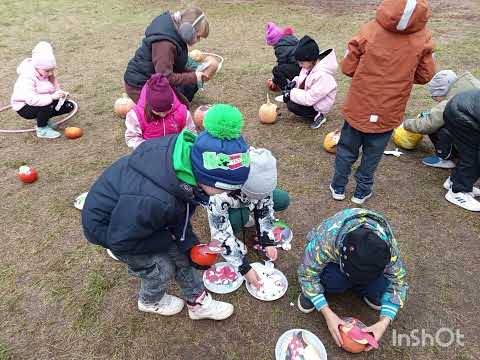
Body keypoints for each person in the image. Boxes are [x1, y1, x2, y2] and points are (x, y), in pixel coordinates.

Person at [82, 104, 250, 320]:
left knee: (181, 253)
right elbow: (120, 239)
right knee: (162, 268)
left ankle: (198, 304)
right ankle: (150, 300)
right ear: (206, 178)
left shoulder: (184, 165)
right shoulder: (158, 200)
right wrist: (170, 240)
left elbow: (179, 216)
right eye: (224, 188)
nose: (225, 194)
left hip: (131, 216)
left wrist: (187, 244)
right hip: (110, 229)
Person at [330, 0, 436, 204]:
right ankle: (361, 191)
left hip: (359, 105)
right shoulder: (424, 38)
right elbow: (425, 75)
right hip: (389, 109)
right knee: (373, 153)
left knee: (346, 149)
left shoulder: (370, 30)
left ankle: (338, 186)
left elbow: (348, 67)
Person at [297, 208, 408, 351]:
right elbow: (307, 273)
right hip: (334, 262)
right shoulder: (327, 239)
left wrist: (384, 322)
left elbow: (399, 281)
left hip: (358, 264)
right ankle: (312, 294)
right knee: (332, 279)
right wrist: (327, 312)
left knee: (381, 287)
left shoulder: (386, 248)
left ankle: (364, 286)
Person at [205, 147, 290, 288]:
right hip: (229, 201)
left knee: (282, 199)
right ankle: (242, 217)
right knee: (240, 217)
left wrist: (267, 240)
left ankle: (248, 211)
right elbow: (220, 233)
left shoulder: (261, 171)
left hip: (247, 194)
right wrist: (244, 267)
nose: (261, 198)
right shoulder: (218, 192)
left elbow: (265, 207)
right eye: (255, 196)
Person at [124, 5, 209, 105]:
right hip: (140, 84)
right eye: (198, 36)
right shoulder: (165, 44)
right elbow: (165, 77)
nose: (198, 40)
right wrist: (193, 77)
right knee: (176, 112)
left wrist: (195, 73)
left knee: (185, 98)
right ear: (188, 29)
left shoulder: (173, 29)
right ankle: (142, 105)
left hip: (155, 78)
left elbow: (173, 67)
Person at [403, 70, 480, 168]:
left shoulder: (451, 101)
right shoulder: (470, 84)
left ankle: (445, 158)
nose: (435, 100)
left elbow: (428, 124)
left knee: (442, 127)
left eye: (434, 96)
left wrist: (405, 124)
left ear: (441, 91)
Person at [10, 41, 74, 139]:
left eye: (52, 70)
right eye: (47, 71)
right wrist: (52, 97)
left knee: (68, 106)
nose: (50, 73)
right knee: (46, 104)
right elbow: (31, 99)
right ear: (37, 67)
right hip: (24, 106)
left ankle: (44, 120)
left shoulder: (46, 72)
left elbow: (54, 88)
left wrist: (61, 94)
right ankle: (42, 129)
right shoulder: (27, 77)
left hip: (42, 100)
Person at [125, 74, 195, 150]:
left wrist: (183, 145)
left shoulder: (182, 113)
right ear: (149, 106)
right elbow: (132, 138)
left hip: (173, 152)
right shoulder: (137, 115)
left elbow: (190, 133)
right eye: (158, 111)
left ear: (172, 103)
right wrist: (146, 148)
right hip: (150, 152)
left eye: (167, 110)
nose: (163, 115)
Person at [282, 35, 338, 129]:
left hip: (318, 104)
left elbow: (310, 98)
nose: (300, 65)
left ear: (311, 60)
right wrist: (294, 82)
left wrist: (291, 93)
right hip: (311, 98)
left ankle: (319, 115)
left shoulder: (323, 76)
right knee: (291, 101)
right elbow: (303, 79)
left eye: (302, 63)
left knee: (292, 105)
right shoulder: (309, 65)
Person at [442, 89, 480, 211]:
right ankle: (458, 192)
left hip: (460, 108)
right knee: (473, 156)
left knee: (469, 153)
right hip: (463, 115)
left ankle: (454, 181)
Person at [264, 22, 300, 92]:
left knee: (276, 70)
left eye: (272, 44)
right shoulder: (291, 39)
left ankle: (287, 90)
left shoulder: (280, 47)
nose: (273, 46)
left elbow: (281, 65)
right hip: (304, 66)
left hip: (300, 68)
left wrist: (274, 80)